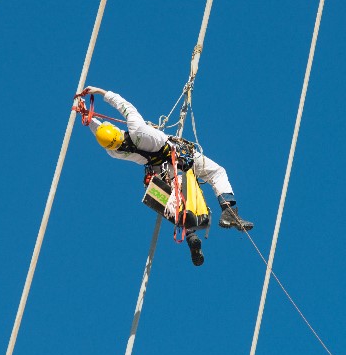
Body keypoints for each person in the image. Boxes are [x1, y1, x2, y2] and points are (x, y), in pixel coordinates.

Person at [79, 86, 253, 266]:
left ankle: (191, 235)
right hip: (179, 156)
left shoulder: (114, 152)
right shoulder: (137, 128)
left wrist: (87, 116)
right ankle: (229, 212)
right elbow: (124, 106)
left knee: (173, 204)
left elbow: (99, 132)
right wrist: (100, 92)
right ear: (116, 130)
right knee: (217, 172)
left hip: (159, 172)